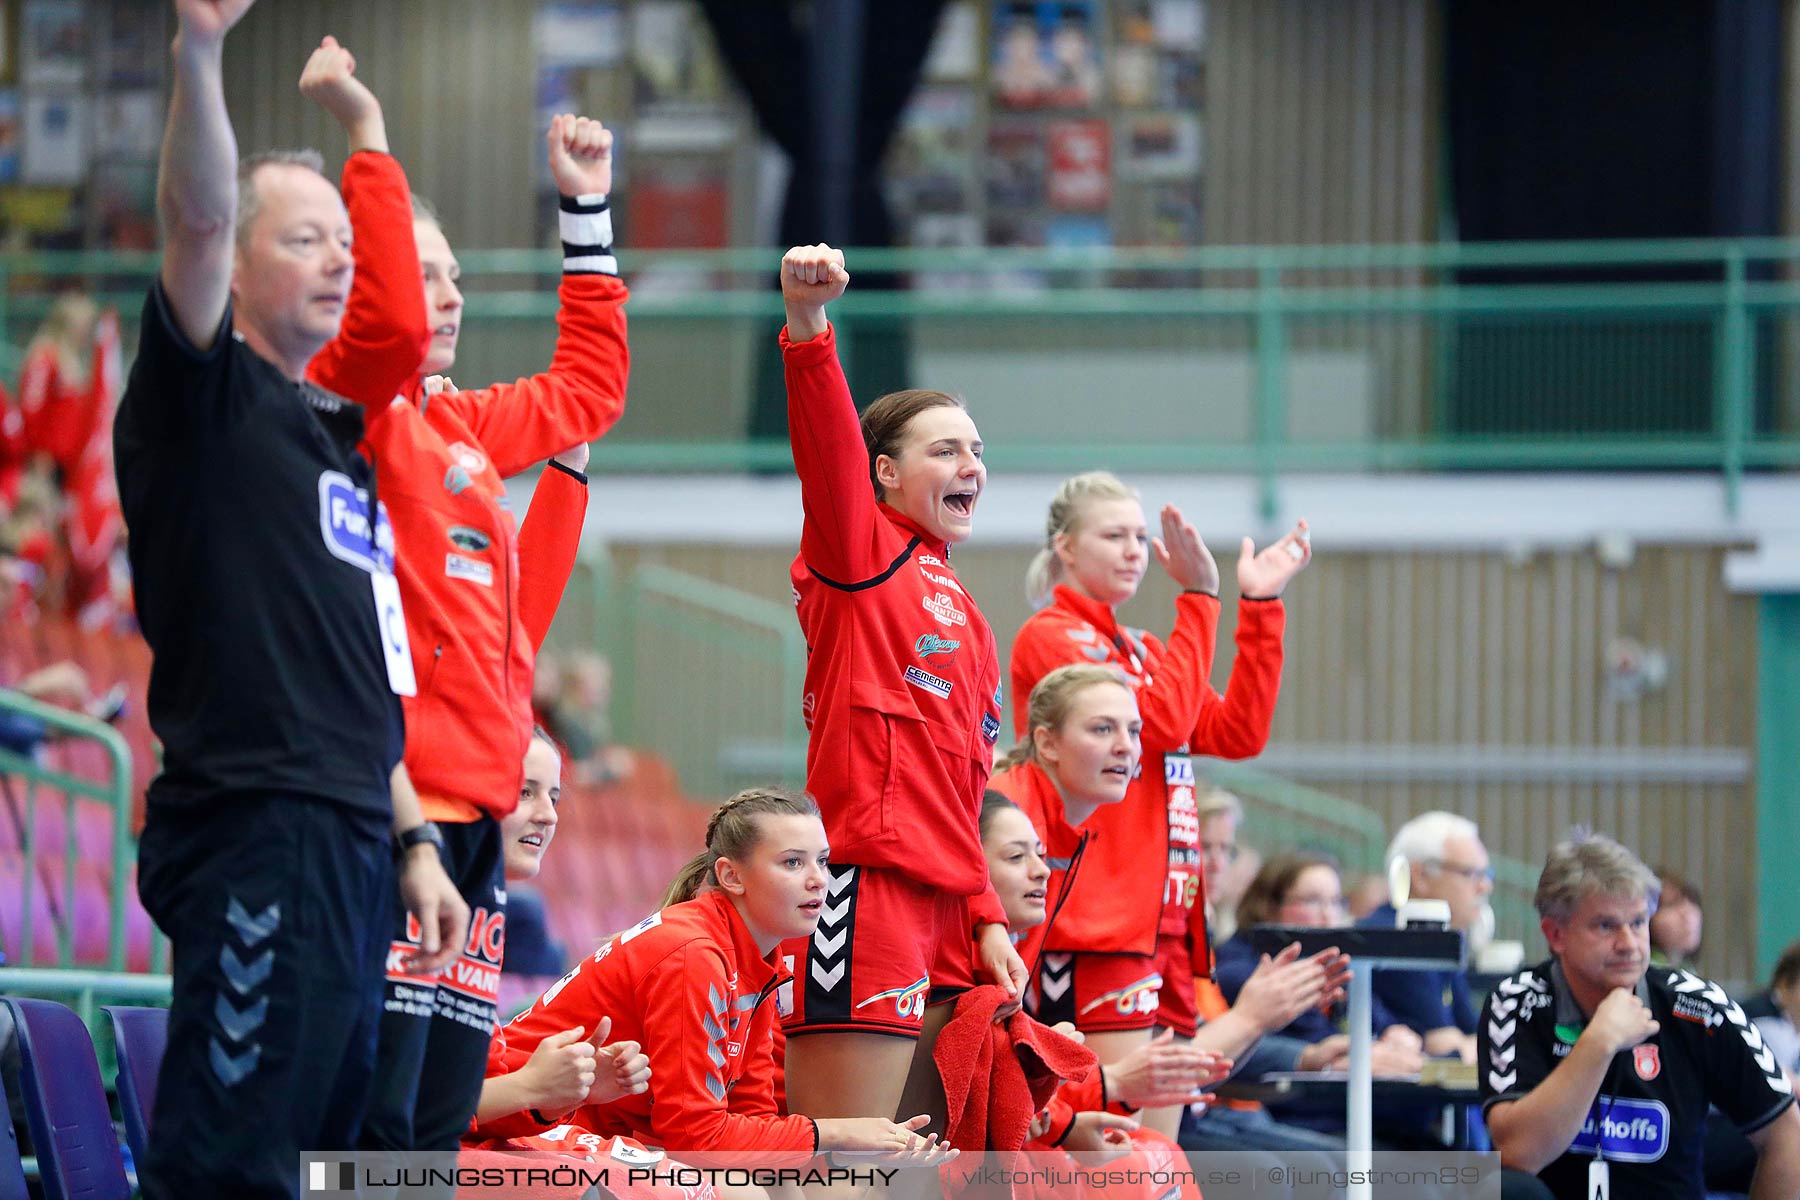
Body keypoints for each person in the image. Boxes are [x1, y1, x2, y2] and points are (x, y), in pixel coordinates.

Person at [113, 4, 466, 1196]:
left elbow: (402, 326)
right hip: (257, 820)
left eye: (344, 245)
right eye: (304, 239)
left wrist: (413, 836)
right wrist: (202, 50)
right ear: (237, 264)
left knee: (322, 1161)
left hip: (352, 836)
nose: (339, 262)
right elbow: (199, 216)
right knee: (232, 1162)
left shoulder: (335, 435)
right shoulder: (201, 399)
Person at [292, 36, 628, 1156]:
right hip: (401, 815)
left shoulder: (463, 429)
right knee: (374, 1124)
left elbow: (588, 389)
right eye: (422, 271)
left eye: (456, 279)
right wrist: (367, 138)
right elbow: (379, 329)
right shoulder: (363, 416)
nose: (445, 296)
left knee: (432, 1121)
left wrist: (585, 211)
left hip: (476, 821)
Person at [774, 244, 1025, 1136]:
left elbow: (964, 793)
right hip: (863, 893)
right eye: (946, 449)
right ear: (884, 472)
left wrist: (986, 913)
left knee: (924, 1165)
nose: (973, 465)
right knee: (846, 1163)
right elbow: (828, 455)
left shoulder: (966, 611)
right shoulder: (860, 555)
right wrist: (810, 329)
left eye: (979, 450)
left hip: (948, 913)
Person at [1008, 469, 1309, 1136]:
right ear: (1065, 547)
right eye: (1114, 535)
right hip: (1098, 922)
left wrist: (1258, 608)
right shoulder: (1053, 637)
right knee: (1113, 1144)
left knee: (1157, 1155)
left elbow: (1237, 731)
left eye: (1141, 538)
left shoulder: (1141, 650)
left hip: (1166, 922)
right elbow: (1168, 725)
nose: (1134, 551)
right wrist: (1200, 596)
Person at [477, 788, 953, 1163]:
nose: (818, 880)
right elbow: (698, 1138)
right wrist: (839, 1131)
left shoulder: (758, 961)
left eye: (823, 861)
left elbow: (751, 1122)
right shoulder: (694, 954)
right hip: (504, 1124)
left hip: (589, 1134)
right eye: (793, 862)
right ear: (731, 876)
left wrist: (867, 1150)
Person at [1480, 830, 1800, 1199]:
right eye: (1605, 926)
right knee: (1502, 1188)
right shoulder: (1518, 1002)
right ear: (1556, 935)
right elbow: (1518, 1154)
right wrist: (1598, 1042)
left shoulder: (1699, 1007)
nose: (1629, 944)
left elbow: (1786, 1132)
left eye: (1637, 923)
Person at [1215, 853, 1424, 1135]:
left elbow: (1380, 1024)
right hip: (1290, 1118)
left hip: (1352, 1116)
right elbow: (1317, 1048)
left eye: (1336, 902)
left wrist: (1397, 1037)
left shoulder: (1338, 965)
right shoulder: (1243, 971)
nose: (1328, 915)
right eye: (1313, 901)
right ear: (1269, 905)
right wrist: (1356, 1055)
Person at [1366, 811, 1493, 1063]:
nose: (1485, 886)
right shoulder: (1400, 938)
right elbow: (1447, 1047)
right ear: (1421, 876)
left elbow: (1476, 1035)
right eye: (1470, 873)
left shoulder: (1441, 938)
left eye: (1486, 874)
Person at [1647, 867, 1702, 967]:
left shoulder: (1688, 970)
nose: (1688, 914)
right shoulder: (1643, 973)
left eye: (1692, 901)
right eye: (1671, 904)